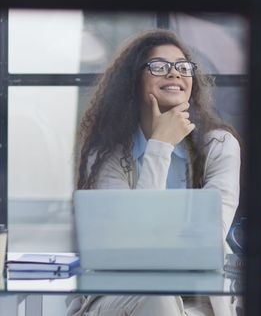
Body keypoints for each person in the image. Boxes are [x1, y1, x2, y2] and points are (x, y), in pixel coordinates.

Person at [67, 29, 241, 316]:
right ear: (133, 81)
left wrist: (151, 239)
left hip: (197, 300)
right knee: (157, 294)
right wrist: (160, 146)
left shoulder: (219, 145)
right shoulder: (106, 154)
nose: (174, 74)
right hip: (118, 295)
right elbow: (130, 246)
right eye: (159, 66)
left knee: (163, 299)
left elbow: (209, 237)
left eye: (183, 66)